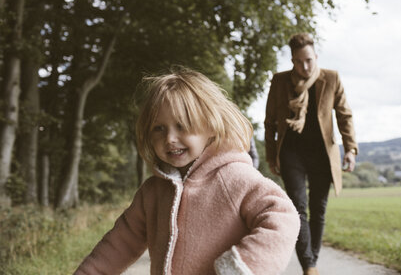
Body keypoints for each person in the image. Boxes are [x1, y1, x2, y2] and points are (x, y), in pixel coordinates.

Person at [75, 68, 300, 275]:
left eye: (182, 125)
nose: (170, 138)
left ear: (210, 125)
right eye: (158, 129)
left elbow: (284, 217)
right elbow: (119, 243)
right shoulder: (153, 192)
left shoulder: (234, 178)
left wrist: (240, 267)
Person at [264, 33, 358, 275]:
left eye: (308, 60)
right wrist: (271, 154)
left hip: (322, 154)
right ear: (292, 61)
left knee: (318, 209)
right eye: (297, 61)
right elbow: (270, 123)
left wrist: (350, 149)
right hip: (291, 153)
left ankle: (311, 262)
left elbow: (344, 116)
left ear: (315, 56)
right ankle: (309, 266)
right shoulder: (279, 82)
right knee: (298, 207)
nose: (304, 67)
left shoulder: (331, 78)